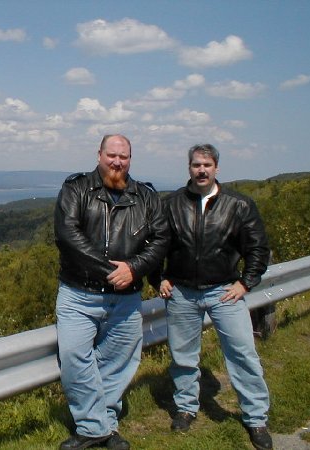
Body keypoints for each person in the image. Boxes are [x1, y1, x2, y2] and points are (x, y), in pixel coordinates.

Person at [54, 134, 170, 450]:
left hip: (127, 298)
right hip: (79, 294)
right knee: (76, 358)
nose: (117, 162)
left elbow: (161, 240)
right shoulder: (76, 189)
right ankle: (99, 427)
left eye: (124, 156)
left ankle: (98, 427)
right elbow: (67, 236)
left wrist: (134, 268)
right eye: (112, 155)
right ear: (99, 154)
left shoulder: (146, 196)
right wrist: (113, 271)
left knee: (117, 364)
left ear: (130, 159)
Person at [159, 144, 272, 450]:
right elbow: (157, 246)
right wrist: (159, 277)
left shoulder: (239, 205)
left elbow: (258, 249)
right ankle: (185, 408)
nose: (202, 170)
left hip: (225, 291)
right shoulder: (171, 204)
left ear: (216, 168)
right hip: (181, 292)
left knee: (242, 354)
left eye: (207, 165)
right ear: (189, 168)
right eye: (196, 165)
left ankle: (256, 418)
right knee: (183, 357)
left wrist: (245, 284)